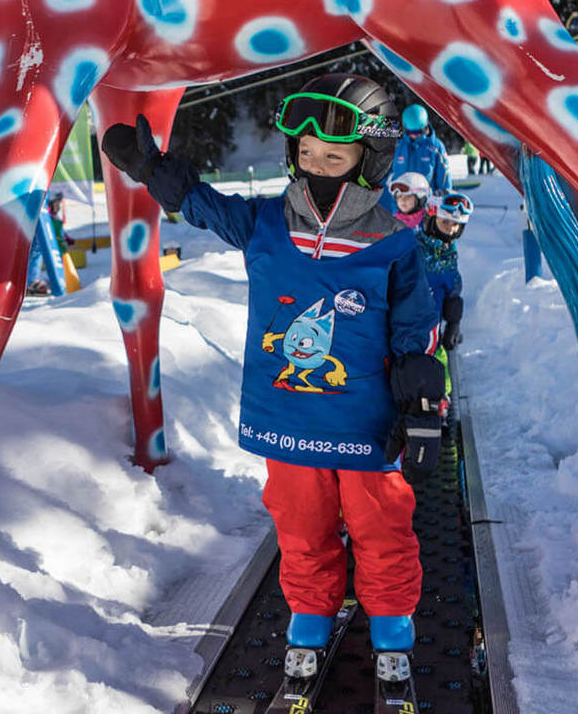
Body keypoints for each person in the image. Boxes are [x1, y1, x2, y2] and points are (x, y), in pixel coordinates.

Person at [101, 73, 444, 692]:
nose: (317, 168)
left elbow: (415, 332)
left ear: (370, 162)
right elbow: (200, 204)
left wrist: (421, 407)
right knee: (300, 525)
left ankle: (391, 628)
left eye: (334, 158)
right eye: (306, 154)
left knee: (381, 527)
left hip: (365, 425)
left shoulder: (393, 245)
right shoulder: (264, 223)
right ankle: (310, 618)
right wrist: (151, 168)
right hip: (287, 422)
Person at [421, 192, 470, 351]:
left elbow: (453, 288)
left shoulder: (449, 252)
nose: (450, 229)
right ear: (432, 220)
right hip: (412, 325)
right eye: (445, 222)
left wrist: (453, 322)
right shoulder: (415, 248)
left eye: (455, 224)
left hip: (435, 328)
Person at [389, 103, 452, 203]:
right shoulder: (398, 145)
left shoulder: (435, 147)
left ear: (425, 127)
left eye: (417, 132)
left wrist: (444, 196)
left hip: (425, 202)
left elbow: (444, 176)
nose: (414, 135)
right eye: (410, 132)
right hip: (401, 202)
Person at [26, 189, 72, 296]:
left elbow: (60, 233)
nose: (58, 207)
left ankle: (32, 280)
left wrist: (68, 240)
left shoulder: (53, 218)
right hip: (35, 219)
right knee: (35, 249)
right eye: (56, 204)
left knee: (37, 250)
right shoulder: (47, 216)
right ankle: (30, 281)